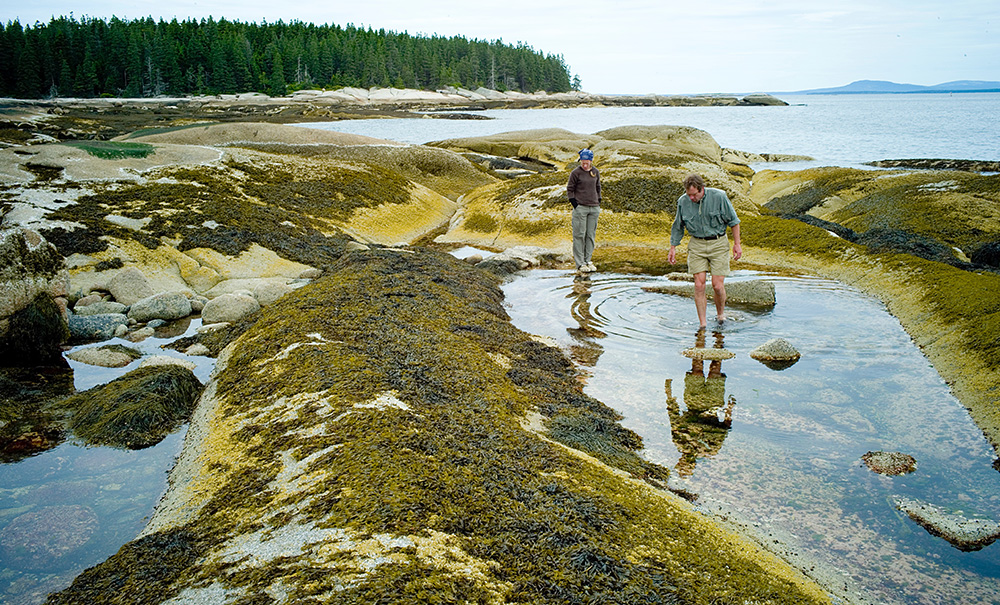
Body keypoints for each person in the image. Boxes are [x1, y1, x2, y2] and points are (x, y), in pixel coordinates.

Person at [668, 174, 742, 327]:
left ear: (702, 189)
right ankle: (703, 325)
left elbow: (734, 222)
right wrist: (673, 247)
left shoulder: (719, 197)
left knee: (717, 285)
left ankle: (720, 315)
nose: (691, 198)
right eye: (689, 195)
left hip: (718, 243)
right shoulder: (683, 202)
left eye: (694, 195)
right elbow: (678, 226)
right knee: (699, 284)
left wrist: (737, 244)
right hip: (697, 245)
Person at [567, 149, 601, 273]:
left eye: (586, 162)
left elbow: (598, 187)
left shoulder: (595, 172)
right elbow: (570, 189)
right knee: (579, 235)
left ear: (591, 161)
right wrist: (575, 204)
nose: (584, 164)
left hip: (594, 207)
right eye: (582, 162)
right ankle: (580, 263)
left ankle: (588, 261)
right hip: (580, 208)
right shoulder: (575, 173)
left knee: (590, 235)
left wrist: (598, 200)